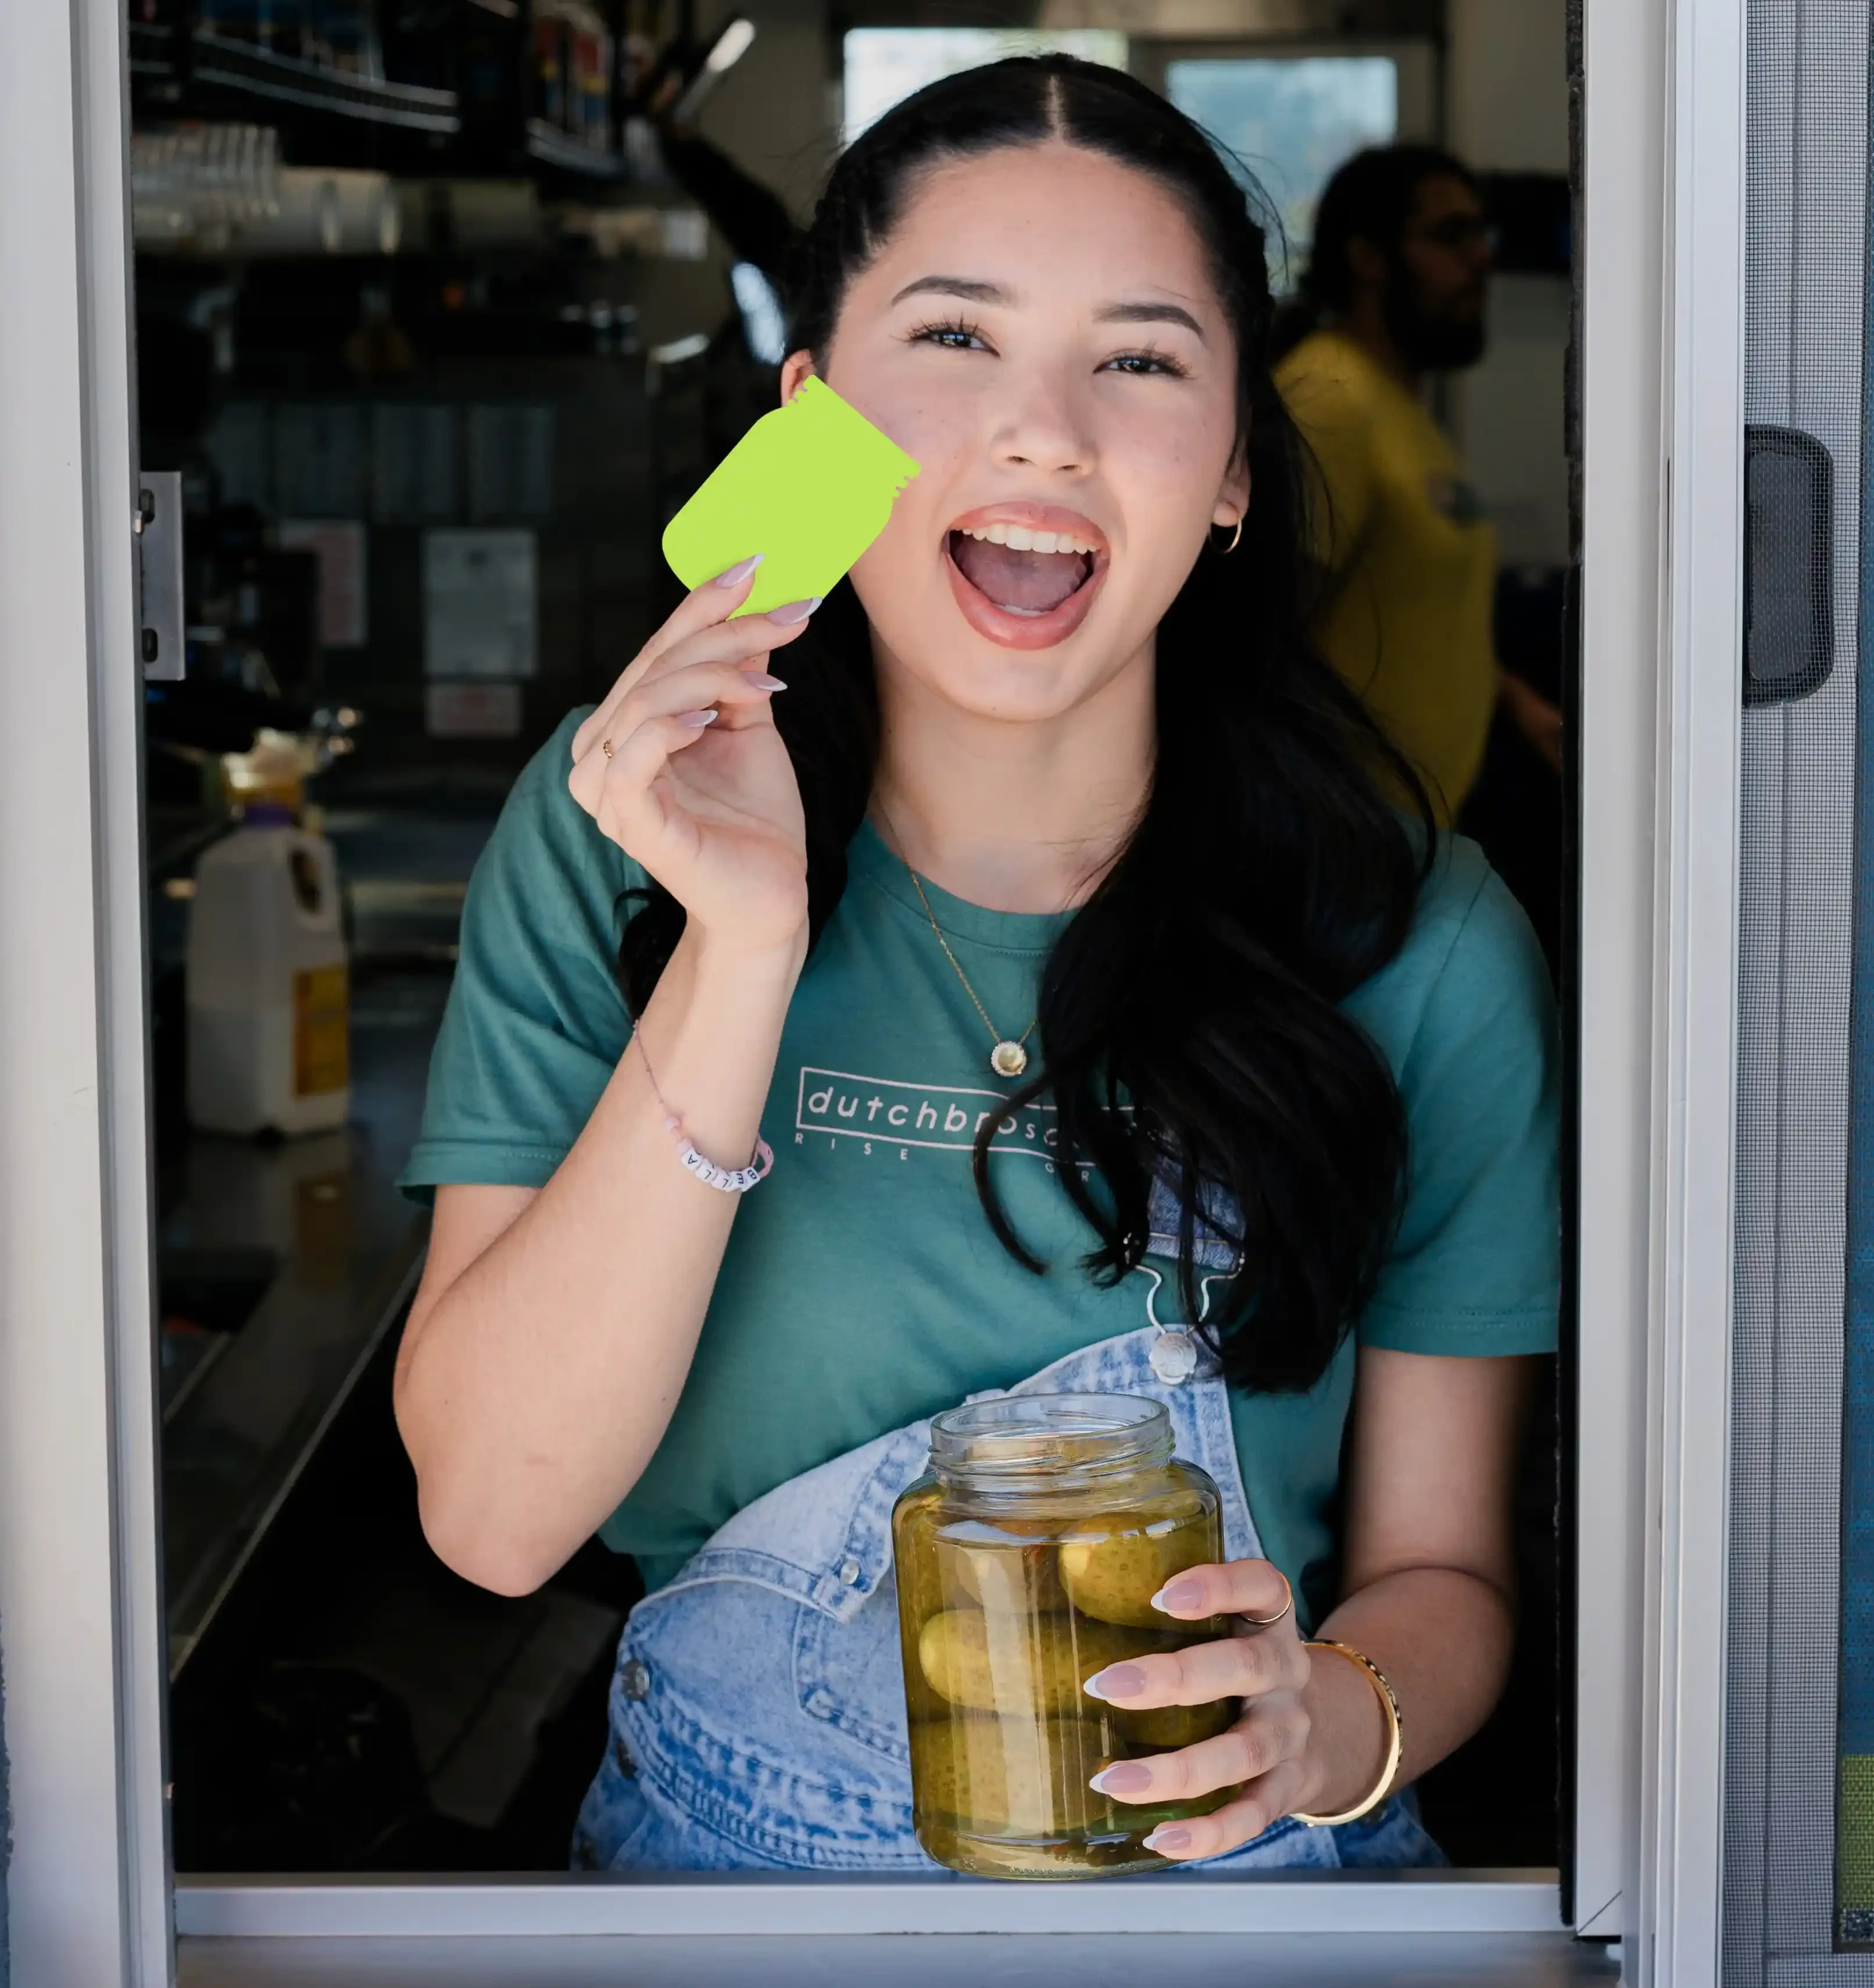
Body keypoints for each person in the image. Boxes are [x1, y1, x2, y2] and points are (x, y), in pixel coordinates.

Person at [393, 56, 1559, 1875]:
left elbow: (1447, 1575)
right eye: (953, 338)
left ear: (1238, 465)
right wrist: (745, 941)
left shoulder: (1417, 937)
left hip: (1252, 1916)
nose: (1045, 432)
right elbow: (489, 1516)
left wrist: (1322, 1723)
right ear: (808, 420)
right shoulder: (611, 826)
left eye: (1145, 359)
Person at [1277, 145, 1560, 820]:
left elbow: (1409, 609)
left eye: (1480, 234)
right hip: (1344, 841)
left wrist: (1516, 703)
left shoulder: (1399, 410)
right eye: (1448, 236)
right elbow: (1257, 642)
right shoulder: (1331, 400)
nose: (1481, 259)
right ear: (1368, 258)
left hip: (1411, 840)